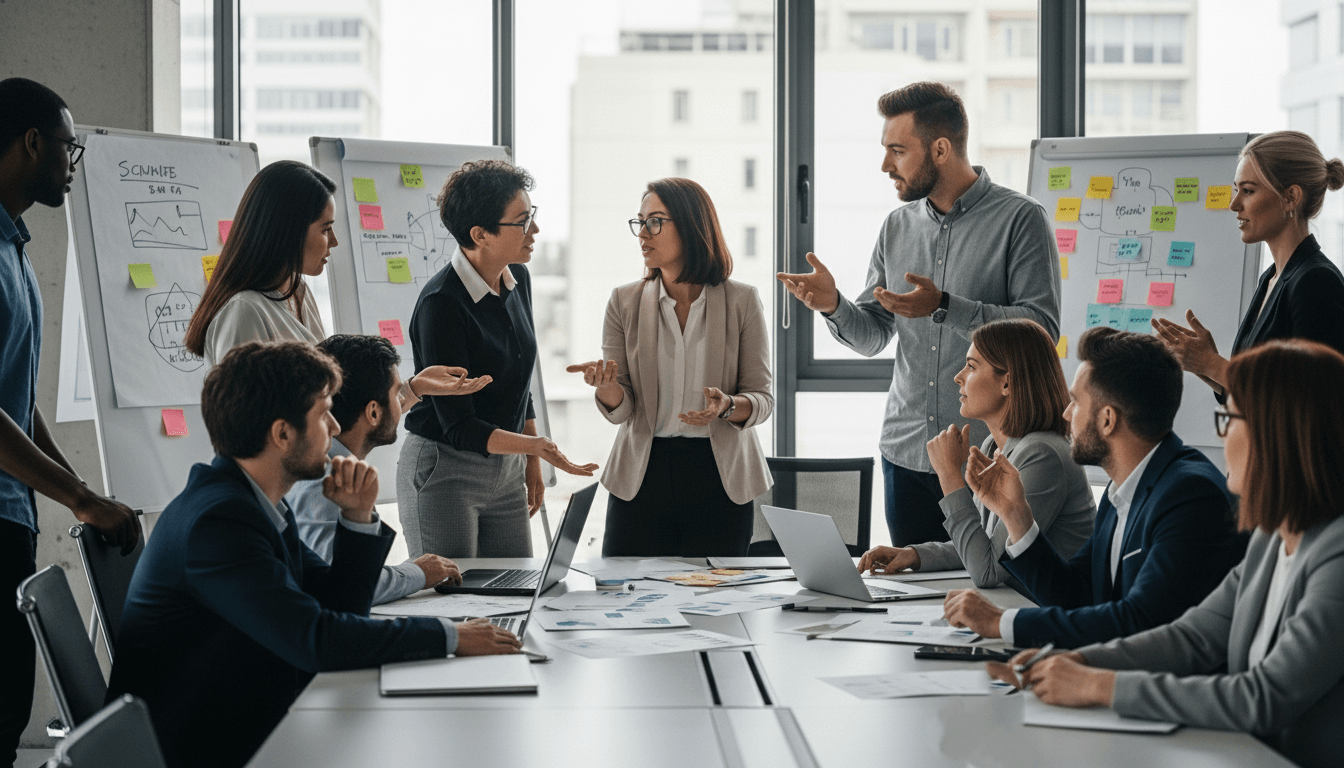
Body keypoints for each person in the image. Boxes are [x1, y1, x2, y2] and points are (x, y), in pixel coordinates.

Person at [107, 340, 521, 768]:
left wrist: (358, 516)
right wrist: (449, 636)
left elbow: (337, 602)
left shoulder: (257, 501)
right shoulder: (218, 523)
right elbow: (314, 639)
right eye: (324, 414)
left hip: (241, 717)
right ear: (283, 434)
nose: (336, 427)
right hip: (196, 746)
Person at [994, 340, 1344, 768]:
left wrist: (1100, 685)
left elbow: (1263, 696)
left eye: (1228, 419)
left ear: (1278, 434)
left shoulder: (1336, 555)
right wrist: (1080, 660)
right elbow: (1191, 636)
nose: (1222, 436)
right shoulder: (1272, 541)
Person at [777, 81, 1060, 548]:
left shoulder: (1021, 219)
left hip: (985, 458)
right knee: (910, 594)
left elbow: (1041, 331)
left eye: (897, 151)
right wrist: (833, 305)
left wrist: (946, 307)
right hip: (904, 453)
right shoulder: (896, 226)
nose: (886, 165)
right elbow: (873, 336)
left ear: (941, 149)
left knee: (982, 587)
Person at [942, 327, 1245, 648]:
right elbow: (1075, 594)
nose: (1066, 413)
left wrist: (999, 622)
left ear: (1107, 420)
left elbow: (1138, 622)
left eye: (1076, 402)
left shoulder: (1189, 495)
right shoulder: (1124, 489)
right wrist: (1016, 516)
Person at [0, 77, 140, 765]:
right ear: (31, 144)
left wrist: (79, 490)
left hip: (11, 516)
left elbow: (15, 396)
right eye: (66, 147)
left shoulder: (13, 248)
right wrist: (79, 496)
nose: (70, 163)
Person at [398, 160, 596, 559]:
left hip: (505, 469)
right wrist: (535, 445)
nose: (534, 231)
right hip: (446, 469)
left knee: (511, 592)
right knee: (454, 603)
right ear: (480, 234)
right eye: (522, 221)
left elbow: (520, 378)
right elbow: (460, 426)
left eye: (532, 216)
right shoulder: (442, 305)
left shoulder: (517, 278)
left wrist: (531, 460)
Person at [568, 178, 773, 557]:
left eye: (655, 222)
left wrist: (726, 406)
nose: (643, 234)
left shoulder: (742, 300)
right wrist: (606, 387)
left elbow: (762, 398)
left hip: (719, 476)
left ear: (693, 225)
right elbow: (623, 409)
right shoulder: (623, 302)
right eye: (639, 222)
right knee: (629, 604)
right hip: (642, 474)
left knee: (715, 606)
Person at [856, 319, 1094, 587]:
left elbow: (988, 570)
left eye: (971, 367)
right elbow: (985, 544)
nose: (958, 377)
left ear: (1007, 383)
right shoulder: (993, 446)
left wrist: (949, 476)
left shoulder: (1042, 454)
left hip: (1050, 616)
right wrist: (915, 555)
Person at [286, 334, 489, 604]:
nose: (401, 400)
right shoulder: (327, 481)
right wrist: (417, 572)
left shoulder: (326, 462)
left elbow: (379, 413)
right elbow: (350, 584)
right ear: (372, 412)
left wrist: (415, 389)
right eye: (396, 393)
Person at [1154, 130, 1344, 396]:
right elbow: (1256, 395)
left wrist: (1212, 364)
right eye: (1236, 190)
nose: (1234, 204)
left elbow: (1308, 401)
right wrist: (1202, 363)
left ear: (1291, 197)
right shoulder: (1271, 278)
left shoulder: (1316, 281)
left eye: (1248, 191)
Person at [183, 160, 337, 366]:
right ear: (290, 232)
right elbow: (243, 398)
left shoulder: (298, 289)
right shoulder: (244, 311)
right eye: (326, 229)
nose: (334, 242)